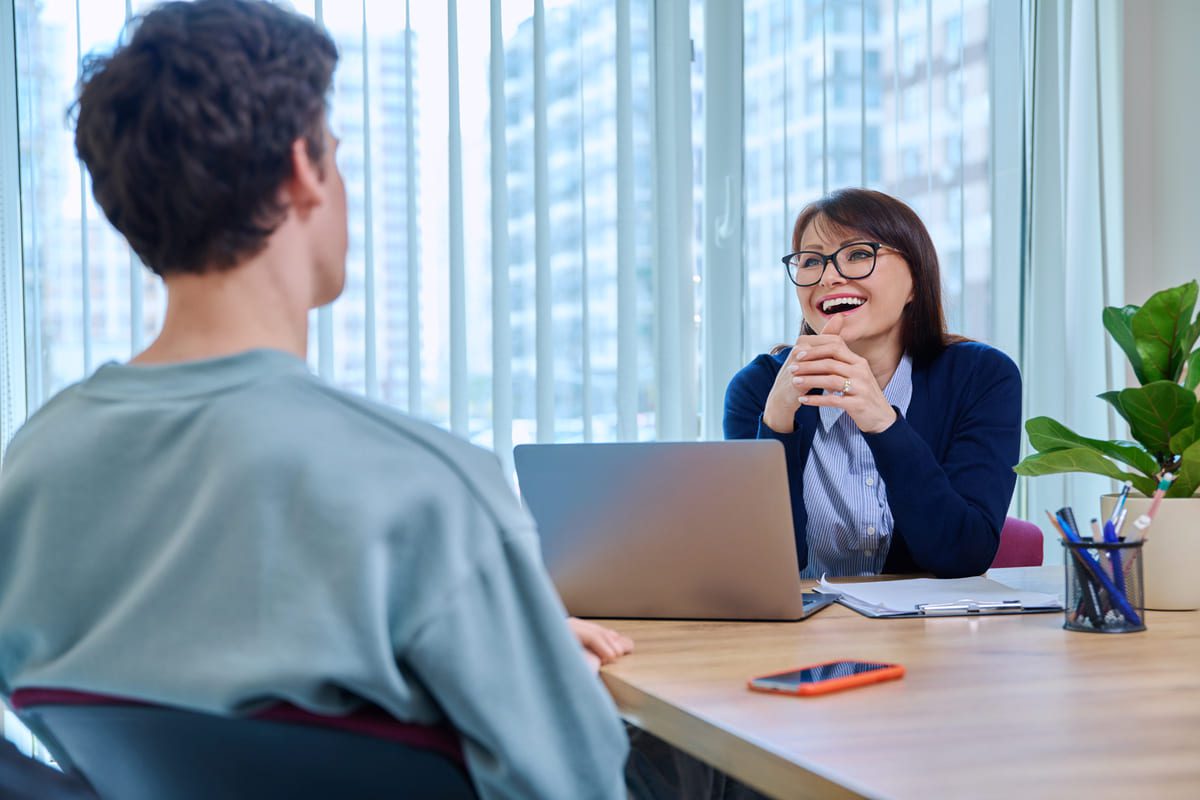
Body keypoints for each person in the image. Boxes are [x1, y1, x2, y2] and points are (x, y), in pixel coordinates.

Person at [0, 2, 631, 798]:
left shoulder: (31, 472)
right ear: (304, 169)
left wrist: (497, 643)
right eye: (335, 152)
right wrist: (525, 668)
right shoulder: (427, 493)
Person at [724, 188, 1021, 579]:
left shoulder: (982, 378)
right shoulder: (758, 389)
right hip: (801, 636)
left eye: (859, 254)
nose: (829, 277)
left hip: (923, 636)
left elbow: (962, 555)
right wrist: (777, 425)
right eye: (811, 261)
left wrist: (883, 422)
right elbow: (761, 571)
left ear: (916, 279)